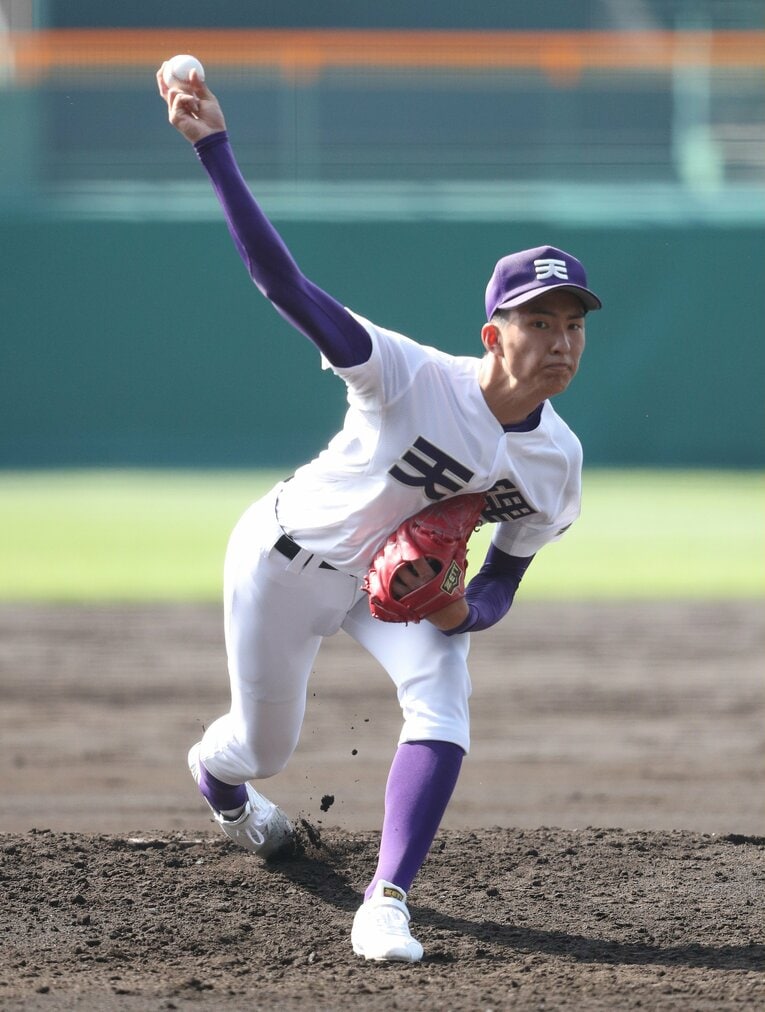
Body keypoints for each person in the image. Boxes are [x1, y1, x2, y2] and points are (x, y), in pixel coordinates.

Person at [157, 63, 601, 964]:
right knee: (261, 746)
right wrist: (215, 149)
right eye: (537, 322)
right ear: (493, 335)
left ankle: (386, 903)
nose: (558, 340)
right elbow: (285, 285)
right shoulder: (406, 375)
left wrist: (461, 610)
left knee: (443, 697)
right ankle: (218, 778)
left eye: (572, 323)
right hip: (285, 561)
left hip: (387, 589)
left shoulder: (557, 462)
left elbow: (506, 576)